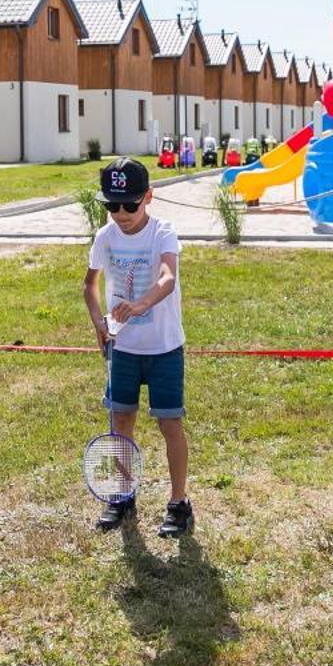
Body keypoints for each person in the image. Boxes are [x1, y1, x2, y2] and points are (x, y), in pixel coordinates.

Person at [82, 158, 192, 537]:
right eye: (112, 205)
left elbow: (168, 276)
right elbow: (89, 285)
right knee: (121, 421)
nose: (121, 213)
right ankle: (122, 495)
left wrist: (141, 304)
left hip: (163, 348)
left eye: (130, 204)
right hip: (123, 350)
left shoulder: (163, 232)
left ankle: (179, 503)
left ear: (148, 197)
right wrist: (99, 322)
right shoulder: (105, 237)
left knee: (169, 423)